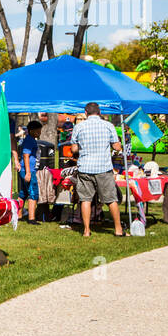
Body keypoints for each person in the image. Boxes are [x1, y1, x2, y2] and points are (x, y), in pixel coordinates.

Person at [69, 102, 123, 238]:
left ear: (86, 113)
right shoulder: (108, 126)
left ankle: (86, 230)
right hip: (103, 167)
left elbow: (74, 149)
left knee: (85, 199)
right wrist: (118, 144)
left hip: (85, 167)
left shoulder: (79, 127)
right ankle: (118, 230)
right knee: (111, 199)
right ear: (99, 112)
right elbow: (117, 147)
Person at [19, 119, 42, 223]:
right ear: (31, 131)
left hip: (25, 169)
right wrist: (28, 172)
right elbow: (26, 155)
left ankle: (18, 215)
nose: (39, 133)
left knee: (23, 193)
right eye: (38, 131)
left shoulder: (30, 139)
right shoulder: (29, 140)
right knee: (33, 193)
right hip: (28, 170)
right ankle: (31, 218)